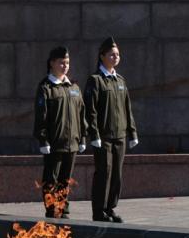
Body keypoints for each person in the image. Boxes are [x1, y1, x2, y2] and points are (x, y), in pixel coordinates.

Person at [84, 36, 139, 223]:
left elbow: (127, 108)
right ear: (102, 56)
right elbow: (90, 110)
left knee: (116, 174)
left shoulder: (120, 80)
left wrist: (132, 132)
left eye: (117, 54)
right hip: (104, 136)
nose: (115, 57)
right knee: (104, 173)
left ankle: (110, 208)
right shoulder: (95, 80)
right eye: (111, 54)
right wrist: (94, 134)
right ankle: (99, 211)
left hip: (120, 135)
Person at [33, 47, 87, 218]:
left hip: (72, 142)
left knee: (65, 179)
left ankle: (63, 209)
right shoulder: (46, 87)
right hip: (54, 143)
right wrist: (43, 139)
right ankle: (52, 210)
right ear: (52, 63)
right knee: (51, 179)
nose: (65, 66)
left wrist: (83, 137)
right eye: (61, 63)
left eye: (67, 63)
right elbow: (41, 116)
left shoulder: (74, 87)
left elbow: (81, 114)